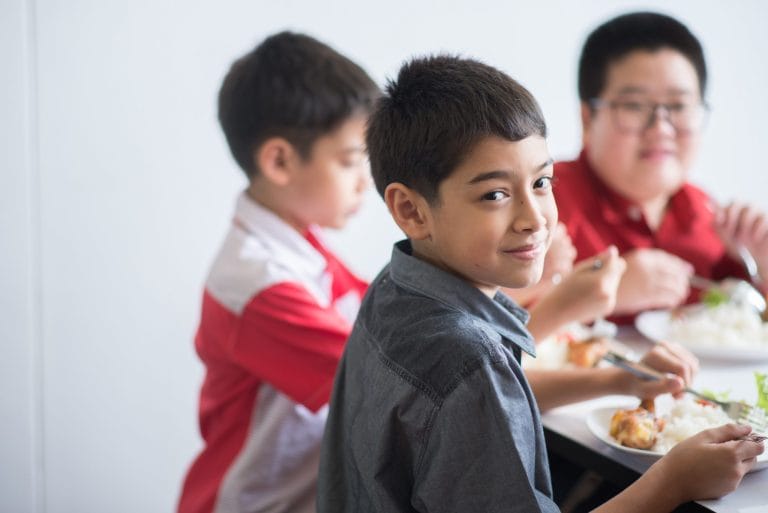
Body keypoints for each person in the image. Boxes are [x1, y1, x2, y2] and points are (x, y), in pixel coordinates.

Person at [317, 54, 763, 513]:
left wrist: (619, 380)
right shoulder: (466, 358)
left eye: (542, 182)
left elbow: (490, 396)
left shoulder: (396, 284)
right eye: (495, 195)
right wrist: (674, 480)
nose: (534, 219)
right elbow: (477, 384)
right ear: (411, 210)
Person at [177, 32, 379, 513]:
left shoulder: (298, 241)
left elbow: (382, 313)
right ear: (279, 161)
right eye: (351, 161)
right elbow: (392, 376)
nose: (365, 180)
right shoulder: (259, 284)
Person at [554, 11, 768, 323]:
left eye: (679, 106)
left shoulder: (710, 217)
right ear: (588, 118)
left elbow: (750, 323)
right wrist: (600, 294)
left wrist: (762, 264)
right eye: (634, 106)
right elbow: (485, 321)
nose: (661, 129)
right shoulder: (544, 202)